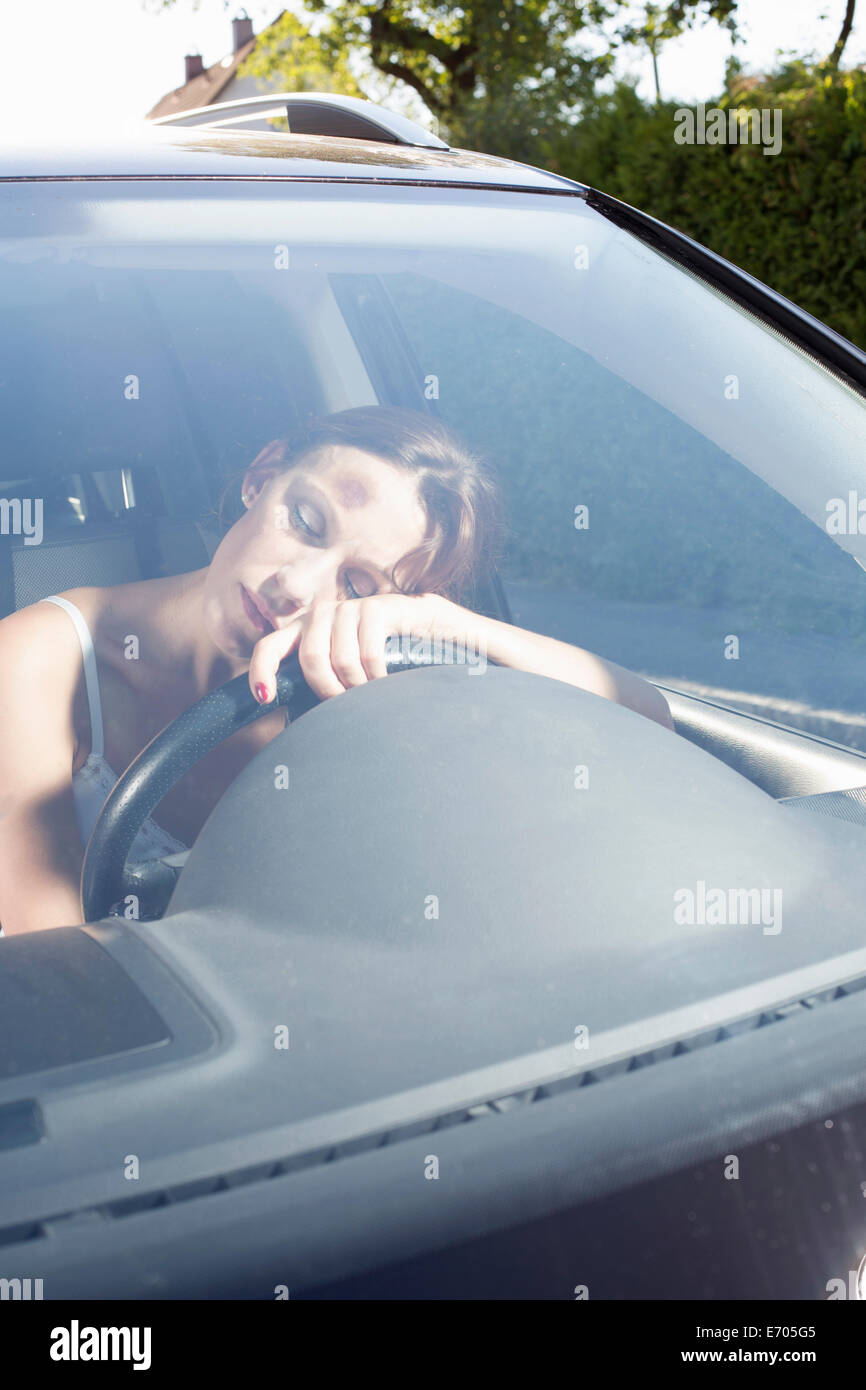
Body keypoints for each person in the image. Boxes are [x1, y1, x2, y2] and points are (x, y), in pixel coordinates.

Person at [0, 405, 673, 937]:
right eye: (305, 521)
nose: (297, 587)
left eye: (356, 584)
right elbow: (64, 968)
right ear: (262, 477)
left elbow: (646, 722)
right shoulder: (38, 660)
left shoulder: (365, 680)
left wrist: (446, 627)